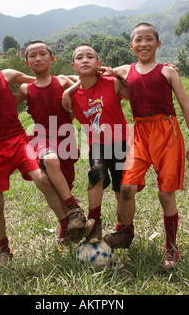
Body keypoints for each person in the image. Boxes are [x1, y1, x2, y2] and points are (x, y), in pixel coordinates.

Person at [0, 35, 73, 267]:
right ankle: (4, 249)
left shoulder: (7, 75)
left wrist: (79, 79)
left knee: (43, 180)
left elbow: (44, 79)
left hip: (19, 141)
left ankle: (67, 227)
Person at [102, 23, 189, 270]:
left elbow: (186, 106)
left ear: (159, 44)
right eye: (138, 39)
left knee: (165, 194)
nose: (144, 43)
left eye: (149, 39)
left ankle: (171, 249)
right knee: (126, 187)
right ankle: (125, 232)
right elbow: (100, 71)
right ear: (131, 45)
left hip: (166, 133)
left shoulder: (168, 72)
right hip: (139, 133)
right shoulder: (125, 70)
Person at [14, 41, 94, 248]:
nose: (38, 58)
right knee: (50, 160)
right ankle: (74, 208)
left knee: (63, 186)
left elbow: (86, 81)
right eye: (32, 55)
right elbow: (5, 105)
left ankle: (66, 230)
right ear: (27, 62)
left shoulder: (61, 81)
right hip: (41, 137)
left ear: (52, 59)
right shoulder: (25, 88)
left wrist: (69, 91)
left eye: (42, 54)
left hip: (65, 137)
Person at [63, 44, 130, 243]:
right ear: (73, 66)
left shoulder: (112, 83)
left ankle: (122, 229)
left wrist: (115, 73)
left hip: (121, 141)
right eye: (79, 57)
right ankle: (94, 224)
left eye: (90, 56)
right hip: (97, 143)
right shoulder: (72, 95)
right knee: (96, 174)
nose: (85, 60)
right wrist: (69, 90)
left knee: (120, 190)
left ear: (99, 64)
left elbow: (136, 89)